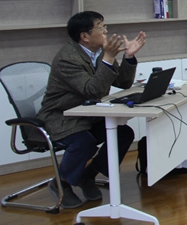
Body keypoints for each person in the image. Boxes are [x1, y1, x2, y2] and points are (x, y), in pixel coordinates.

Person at [37, 11, 146, 208]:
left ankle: (88, 176)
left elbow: (123, 82)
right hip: (61, 116)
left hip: (87, 114)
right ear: (84, 36)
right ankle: (61, 183)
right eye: (100, 27)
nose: (105, 32)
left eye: (105, 26)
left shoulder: (99, 53)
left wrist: (129, 57)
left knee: (123, 134)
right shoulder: (67, 59)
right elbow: (92, 90)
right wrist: (108, 58)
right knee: (83, 142)